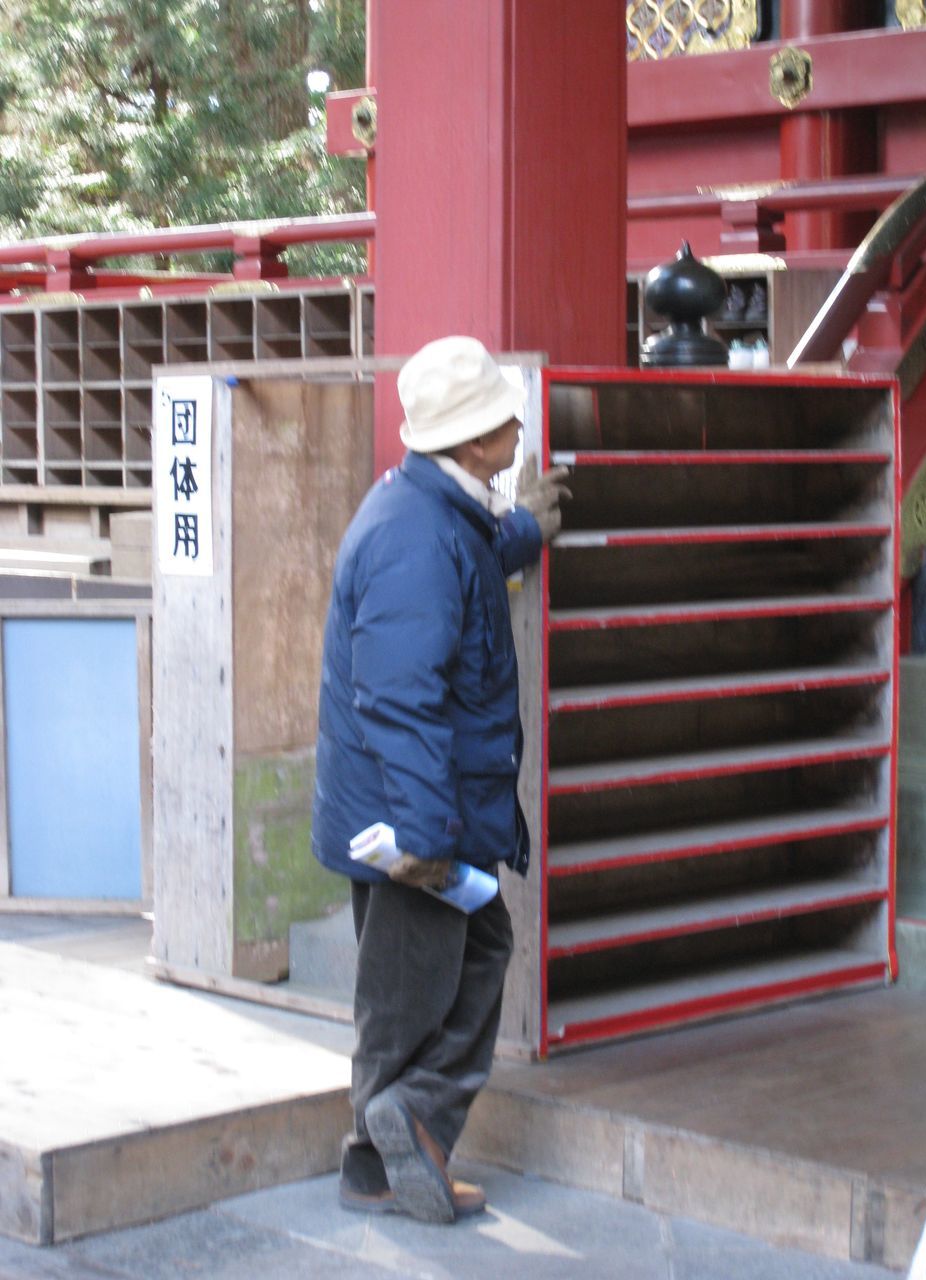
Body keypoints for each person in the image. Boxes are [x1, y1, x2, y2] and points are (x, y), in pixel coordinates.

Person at [311, 335, 569, 1224]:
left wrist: (524, 531)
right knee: (418, 986)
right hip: (411, 815)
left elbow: (466, 563)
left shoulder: (430, 508)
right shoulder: (415, 537)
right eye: (504, 423)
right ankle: (403, 1126)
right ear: (471, 444)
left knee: (414, 984)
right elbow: (399, 698)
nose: (516, 428)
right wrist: (426, 838)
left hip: (409, 803)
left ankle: (377, 1163)